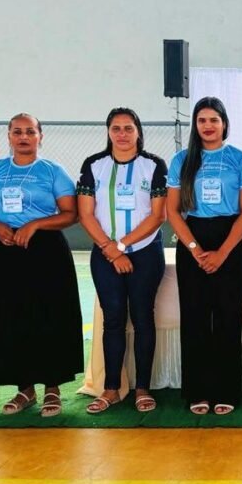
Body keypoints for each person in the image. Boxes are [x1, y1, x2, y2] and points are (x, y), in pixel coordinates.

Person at [0, 113, 82, 417]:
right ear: (9, 136)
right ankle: (25, 389)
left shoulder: (52, 171)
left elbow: (71, 213)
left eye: (30, 132)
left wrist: (36, 225)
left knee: (51, 316)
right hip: (6, 251)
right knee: (11, 317)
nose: (23, 137)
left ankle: (53, 388)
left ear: (40, 137)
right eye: (17, 132)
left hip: (46, 251)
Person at [166, 97, 242, 415]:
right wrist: (195, 250)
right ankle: (198, 392)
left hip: (231, 240)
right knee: (195, 319)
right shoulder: (181, 160)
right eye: (202, 120)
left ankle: (226, 391)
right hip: (193, 239)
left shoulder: (240, 159)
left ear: (224, 124)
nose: (208, 126)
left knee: (229, 319)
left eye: (214, 120)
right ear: (195, 125)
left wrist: (223, 253)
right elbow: (172, 211)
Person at [77, 107, 167, 414]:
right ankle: (111, 388)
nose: (122, 134)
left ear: (138, 132)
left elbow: (158, 215)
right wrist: (110, 249)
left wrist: (123, 245)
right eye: (116, 128)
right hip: (105, 254)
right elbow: (86, 213)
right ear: (108, 132)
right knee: (113, 320)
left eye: (128, 128)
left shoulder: (153, 165)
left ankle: (142, 388)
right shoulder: (94, 165)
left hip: (145, 252)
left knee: (143, 317)